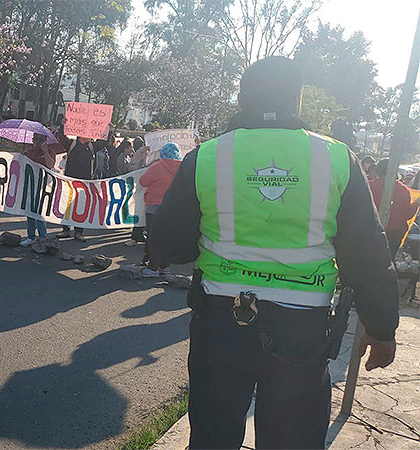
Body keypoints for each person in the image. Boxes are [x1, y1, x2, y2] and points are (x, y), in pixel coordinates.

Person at [151, 56, 398, 449]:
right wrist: (382, 328)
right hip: (302, 330)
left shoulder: (208, 156)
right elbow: (367, 251)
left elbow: (170, 244)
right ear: (297, 99)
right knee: (292, 439)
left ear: (241, 98)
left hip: (220, 323)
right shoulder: (336, 158)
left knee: (213, 434)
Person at [138, 142, 181, 276]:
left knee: (154, 238)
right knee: (167, 238)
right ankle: (164, 266)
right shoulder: (183, 168)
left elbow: (143, 182)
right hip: (173, 209)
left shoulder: (157, 167)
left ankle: (153, 268)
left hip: (155, 208)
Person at [369, 159, 419, 259]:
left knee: (370, 260)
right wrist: (416, 203)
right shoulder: (402, 190)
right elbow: (406, 215)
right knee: (388, 260)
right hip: (394, 233)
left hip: (370, 230)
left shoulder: (369, 186)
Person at [56, 117, 94, 242]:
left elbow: (105, 142)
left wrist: (108, 129)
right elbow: (61, 137)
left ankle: (79, 232)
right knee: (67, 206)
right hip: (70, 181)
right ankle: (65, 230)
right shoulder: (71, 144)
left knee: (81, 207)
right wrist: (63, 125)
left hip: (84, 183)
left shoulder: (92, 146)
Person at [20, 132, 56, 246]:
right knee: (29, 211)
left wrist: (45, 151)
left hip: (42, 186)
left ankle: (42, 237)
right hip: (29, 185)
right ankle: (31, 236)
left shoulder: (50, 152)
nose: (37, 142)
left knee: (39, 212)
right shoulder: (29, 151)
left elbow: (50, 165)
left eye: (40, 140)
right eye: (35, 139)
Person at [115, 139, 148, 247]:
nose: (131, 149)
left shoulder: (129, 157)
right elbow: (128, 171)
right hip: (125, 184)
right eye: (130, 147)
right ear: (125, 148)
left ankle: (137, 234)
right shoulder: (121, 158)